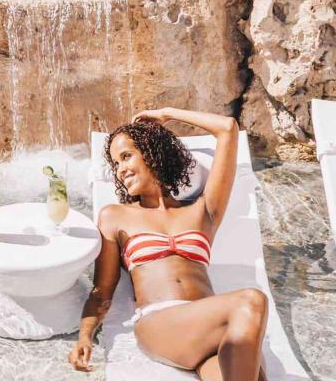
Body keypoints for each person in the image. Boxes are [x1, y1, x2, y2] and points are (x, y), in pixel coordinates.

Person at [69, 108, 267, 381]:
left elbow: (227, 129)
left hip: (209, 326)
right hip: (160, 323)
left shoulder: (202, 211)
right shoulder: (115, 216)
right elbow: (101, 291)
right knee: (252, 301)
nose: (121, 170)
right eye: (115, 164)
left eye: (126, 156)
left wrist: (167, 114)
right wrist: (84, 337)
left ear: (152, 152)